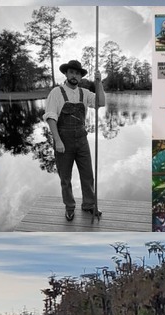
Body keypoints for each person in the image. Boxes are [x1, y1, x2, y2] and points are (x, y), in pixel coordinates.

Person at [44, 60, 106, 221]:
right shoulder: (56, 93)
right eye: (71, 72)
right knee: (65, 177)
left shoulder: (84, 93)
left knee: (87, 175)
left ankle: (88, 205)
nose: (74, 76)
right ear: (66, 74)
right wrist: (57, 141)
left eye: (77, 73)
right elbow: (51, 117)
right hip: (63, 140)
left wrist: (98, 83)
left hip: (82, 139)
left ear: (80, 77)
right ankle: (69, 207)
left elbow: (101, 102)